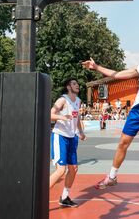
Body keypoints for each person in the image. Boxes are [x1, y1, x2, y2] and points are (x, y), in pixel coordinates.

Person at [82, 0, 139, 217]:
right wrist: (96, 67)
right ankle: (112, 176)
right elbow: (115, 75)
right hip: (138, 109)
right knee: (123, 142)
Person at [49, 78, 86, 208]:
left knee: (73, 168)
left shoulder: (78, 101)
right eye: (74, 84)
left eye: (77, 83)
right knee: (60, 170)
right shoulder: (62, 100)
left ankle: (64, 197)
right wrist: (62, 117)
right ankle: (38, 196)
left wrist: (80, 131)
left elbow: (77, 117)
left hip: (72, 137)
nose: (77, 85)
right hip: (60, 136)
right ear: (68, 87)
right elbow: (50, 114)